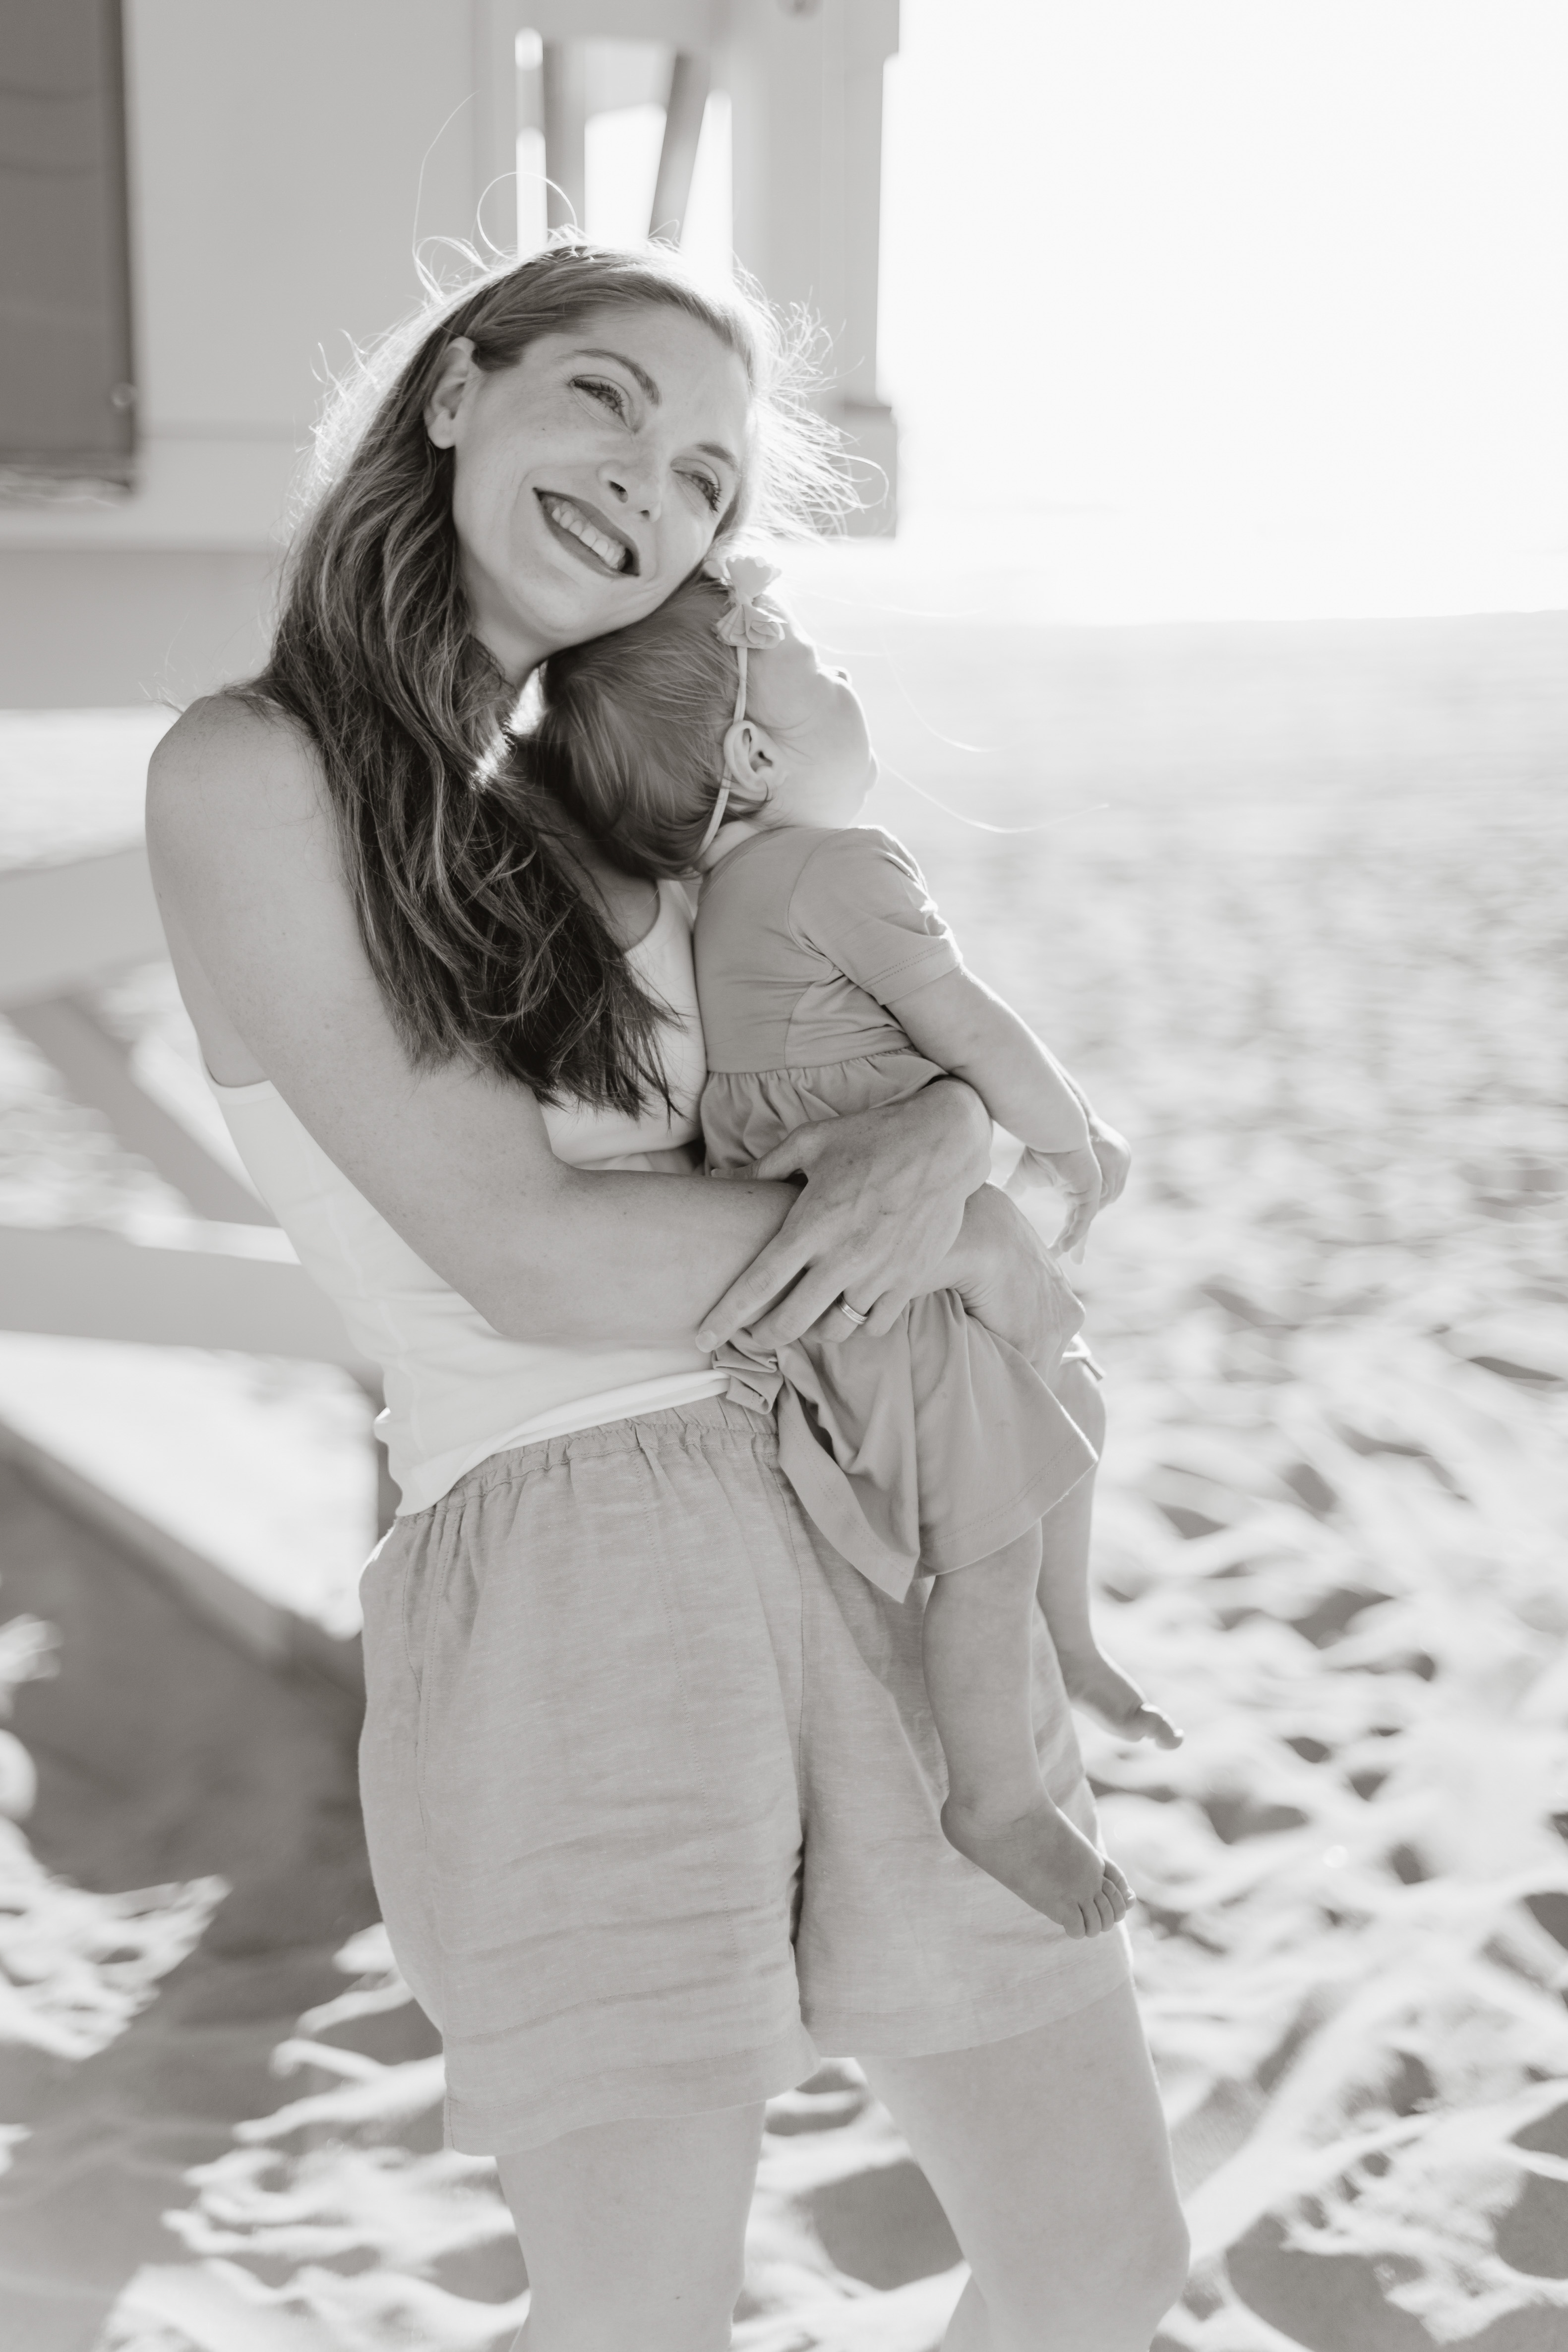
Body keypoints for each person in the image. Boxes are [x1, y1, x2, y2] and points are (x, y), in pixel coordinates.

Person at [145, 240, 1188, 2351]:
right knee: (634, 2322)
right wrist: (936, 1214)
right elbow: (521, 1253)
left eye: (709, 472)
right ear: (456, 389)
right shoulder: (251, 777)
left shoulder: (628, 819)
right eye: (607, 399)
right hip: (566, 1567)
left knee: (1092, 2270)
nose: (651, 483)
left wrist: (938, 1140)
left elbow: (850, 1073)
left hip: (857, 1515)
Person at [521, 556, 1182, 1940]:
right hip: (890, 1270)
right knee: (981, 1547)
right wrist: (1071, 1137)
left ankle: (1070, 1642)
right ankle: (993, 1798)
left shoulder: (728, 896)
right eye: (819, 663)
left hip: (844, 1220)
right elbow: (967, 1022)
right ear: (756, 751)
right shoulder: (841, 864)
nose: (849, 680)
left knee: (1069, 1395)